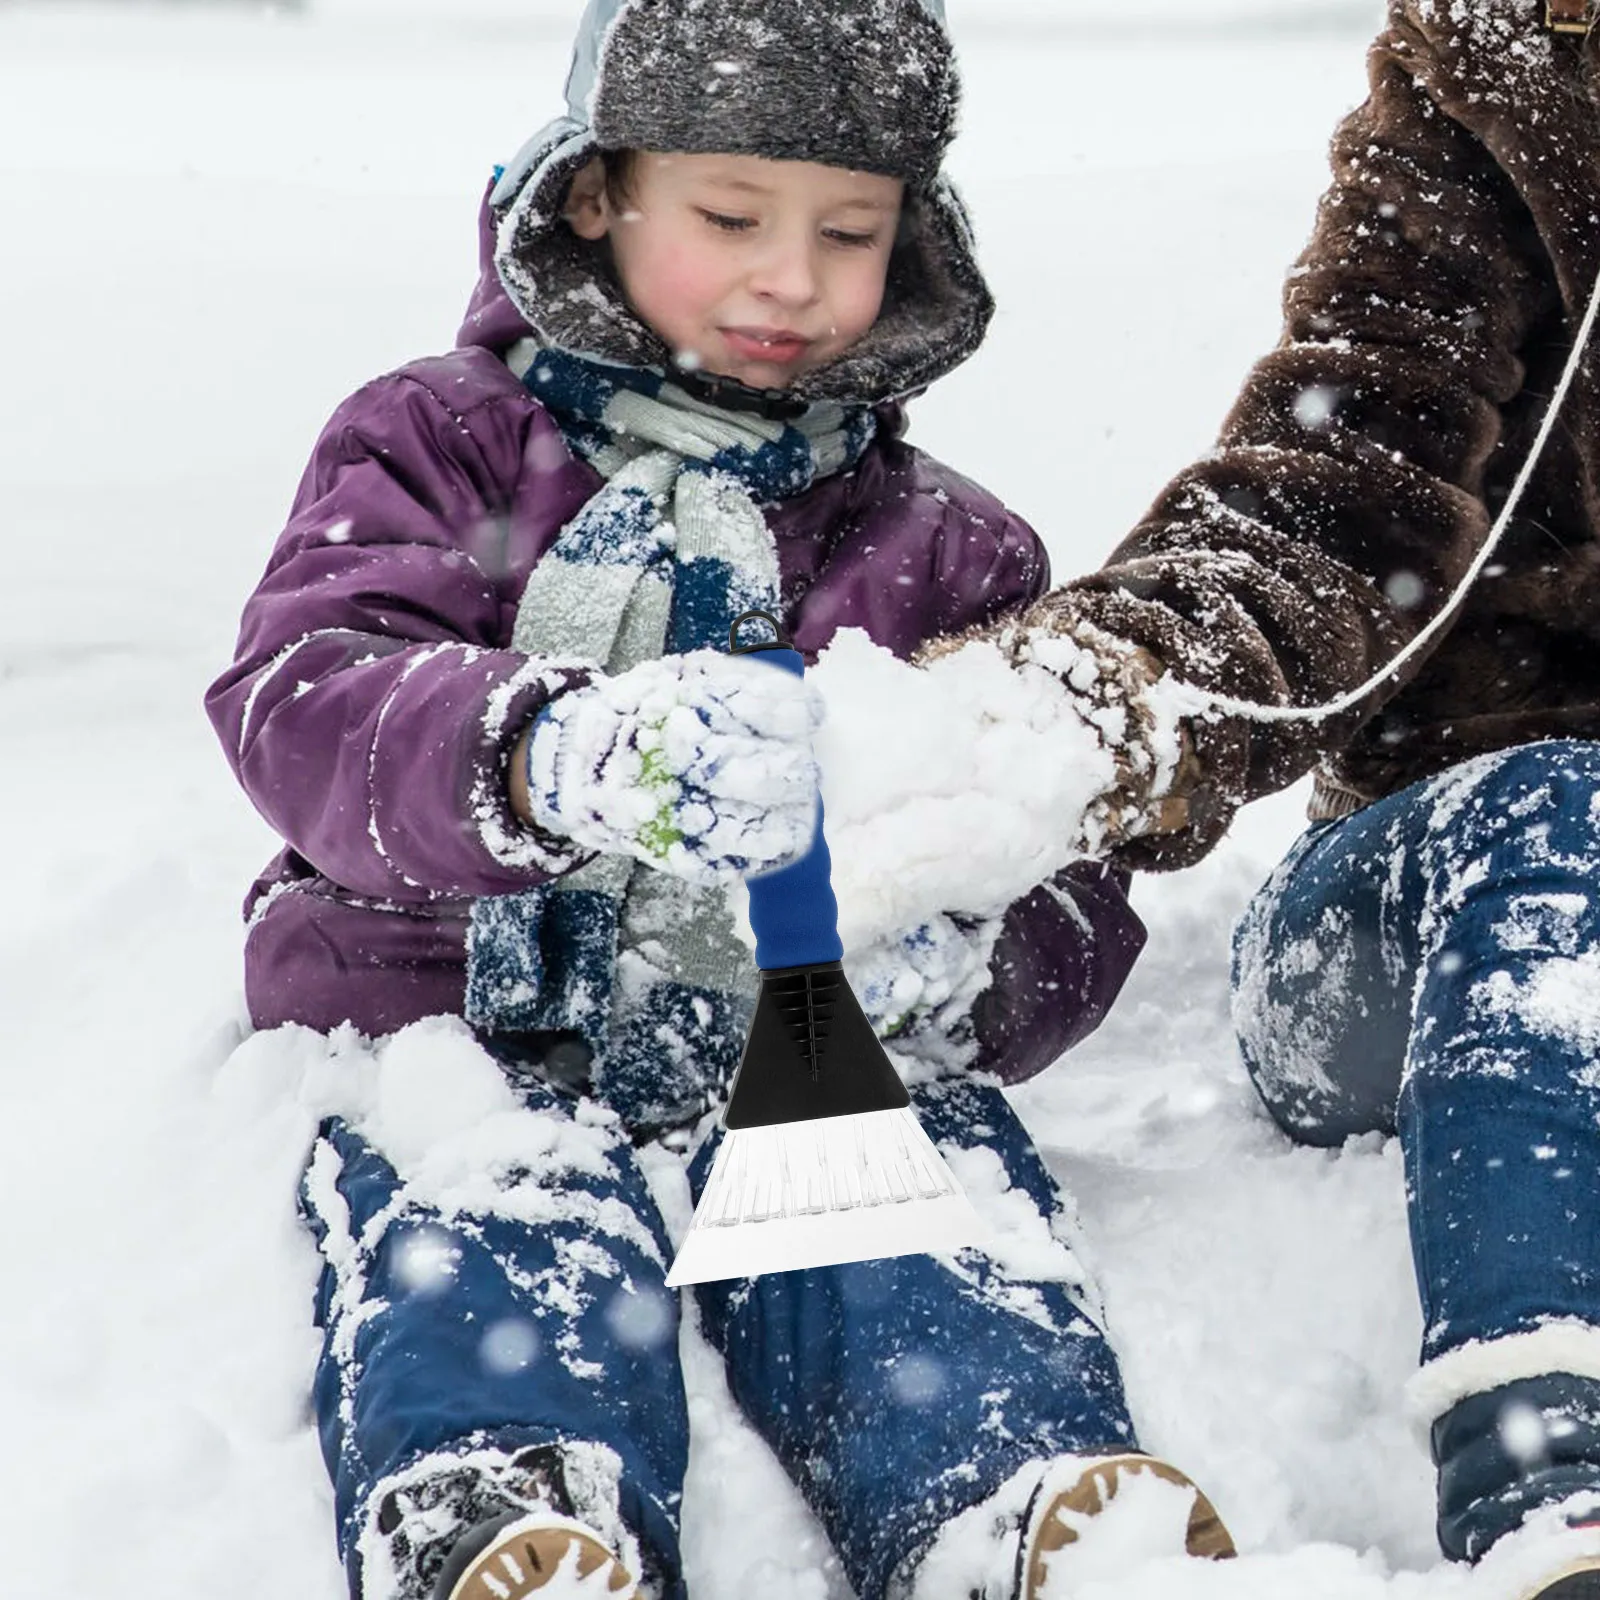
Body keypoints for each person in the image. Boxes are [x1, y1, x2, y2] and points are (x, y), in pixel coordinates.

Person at [206, 2, 1235, 1597]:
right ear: (594, 190)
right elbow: (303, 692)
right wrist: (546, 754)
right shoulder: (438, 442)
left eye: (852, 230)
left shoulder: (953, 554)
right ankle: (505, 1501)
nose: (792, 279)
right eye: (732, 216)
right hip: (460, 1019)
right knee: (491, 1219)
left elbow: (1060, 857)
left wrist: (980, 964)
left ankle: (1009, 1501)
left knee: (919, 1220)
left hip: (802, 1048)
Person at [959, 1, 1600, 1594]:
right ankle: (1553, 1477)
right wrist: (1093, 704)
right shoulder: (1506, 64)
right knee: (1569, 814)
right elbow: (1341, 479)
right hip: (1432, 909)